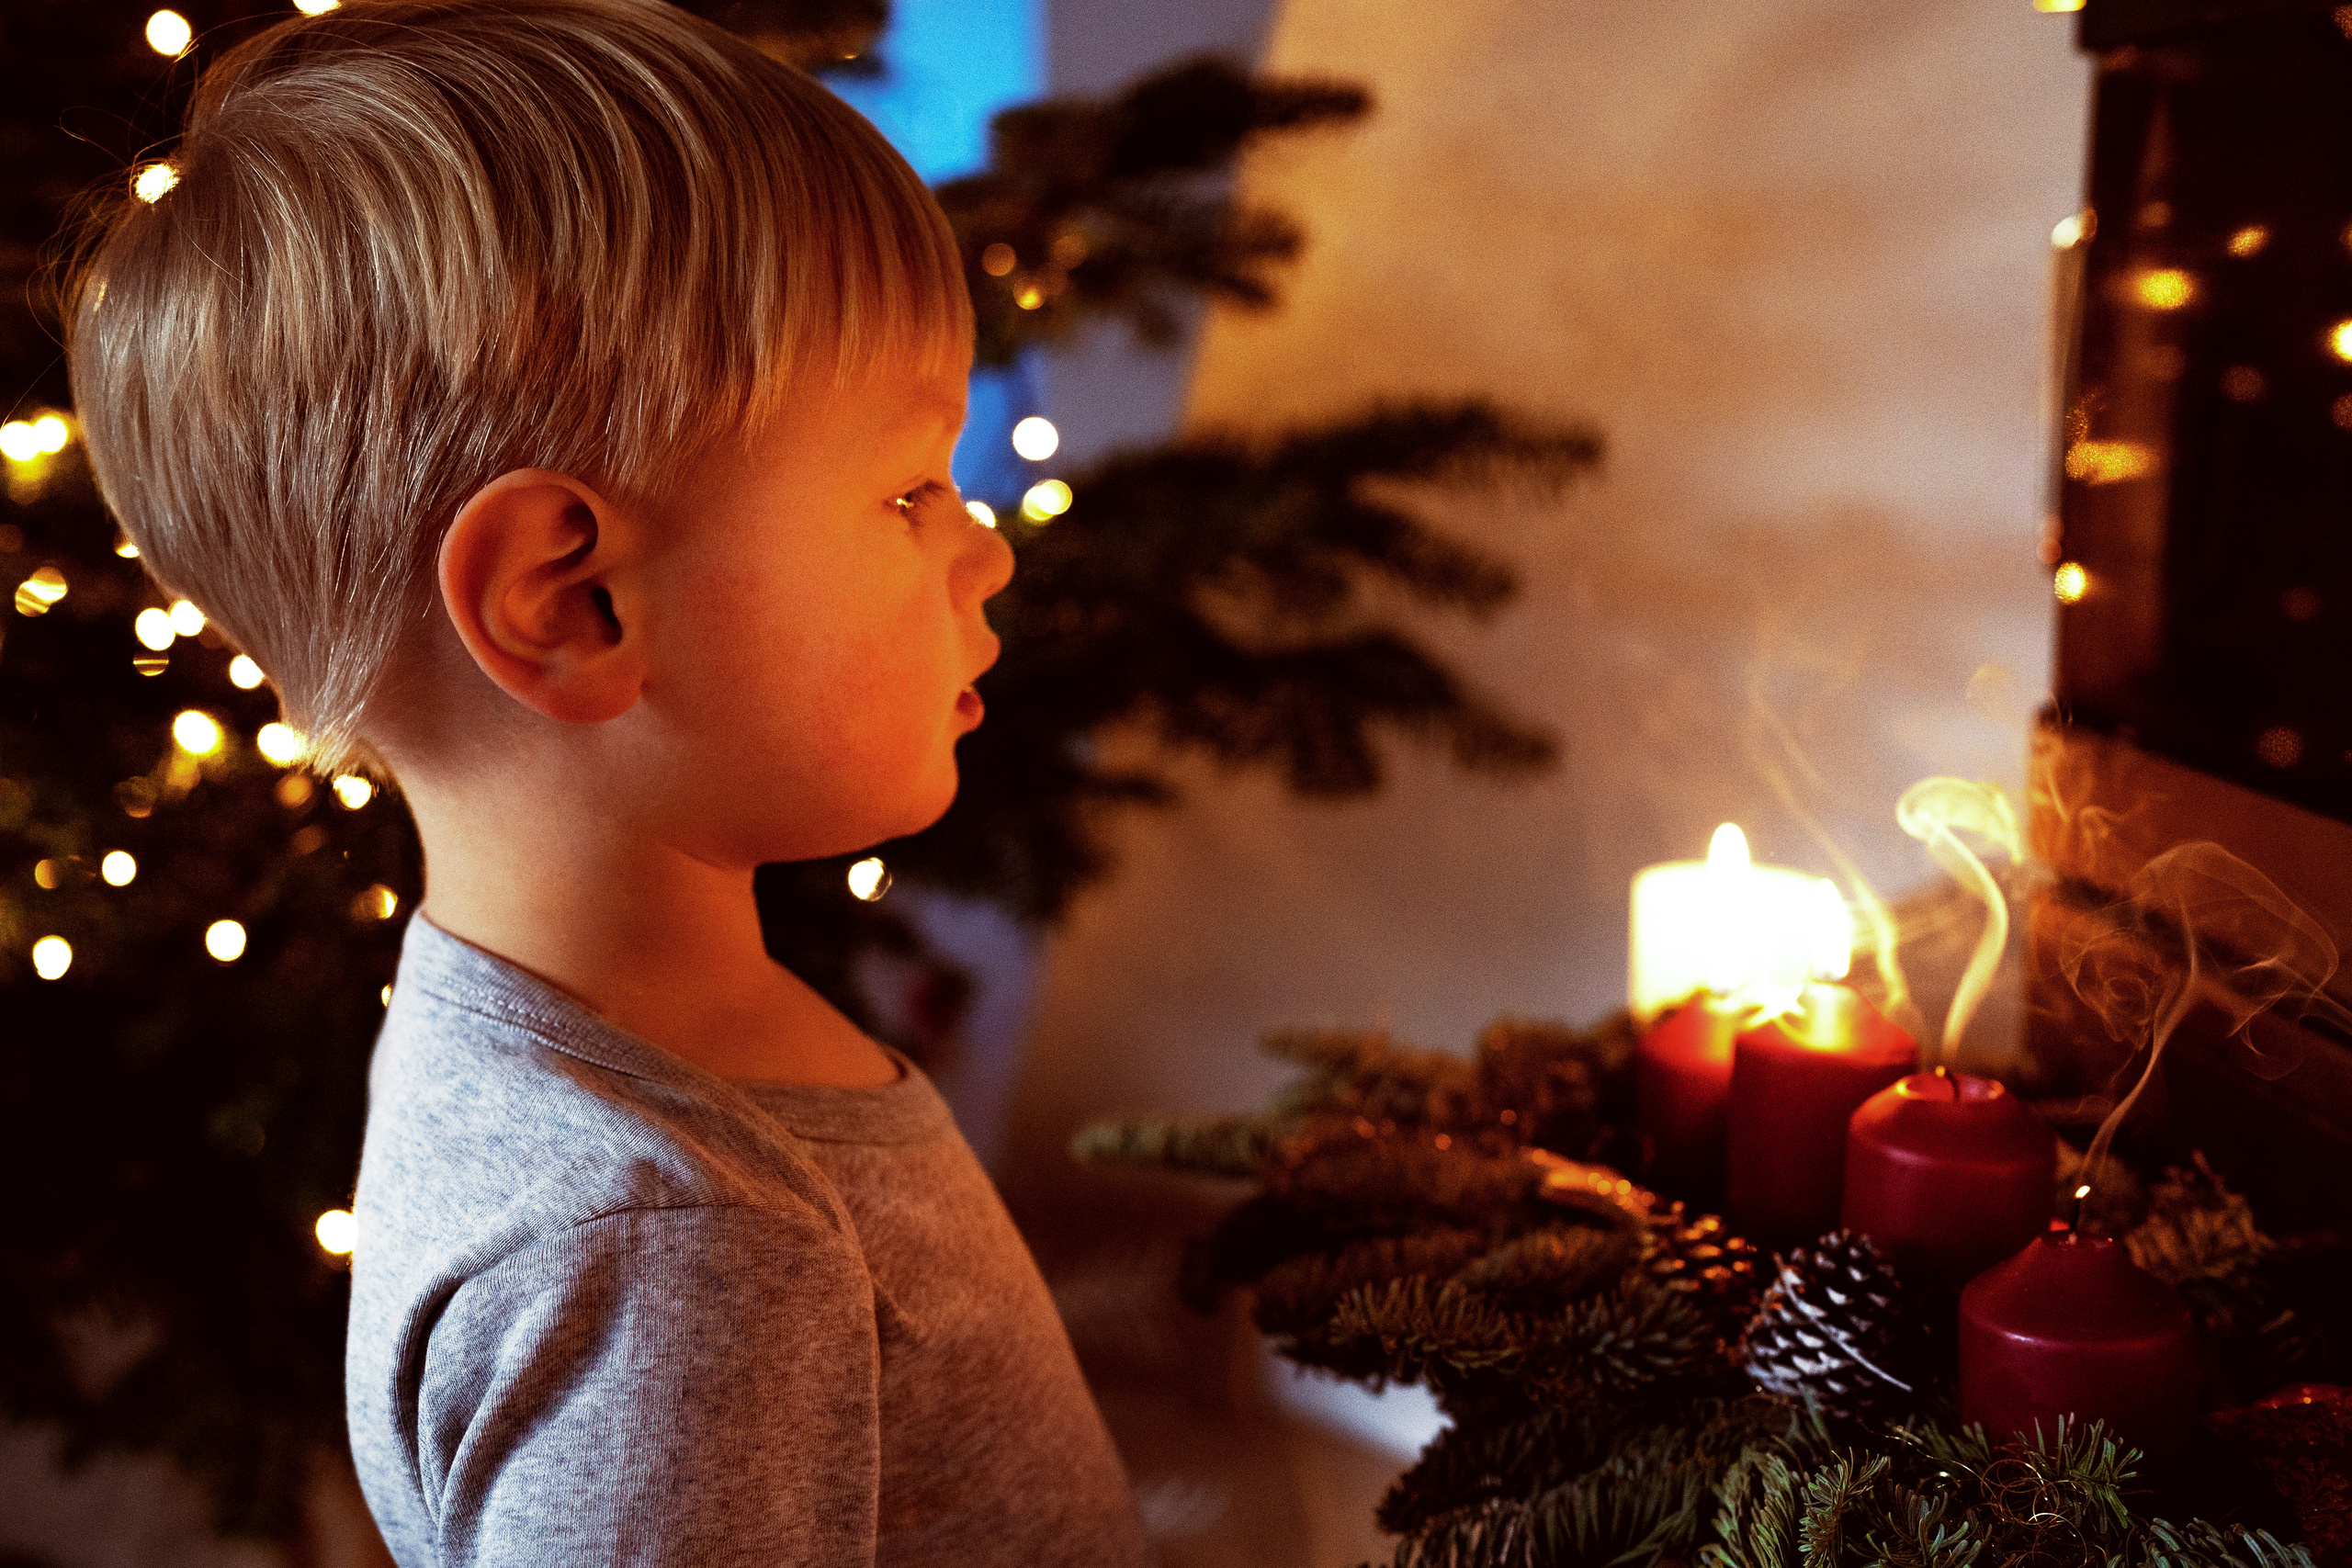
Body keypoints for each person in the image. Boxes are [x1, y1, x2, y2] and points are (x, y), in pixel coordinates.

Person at [63, 2, 1148, 1562]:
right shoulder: (677, 1256)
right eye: (909, 486)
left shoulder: (600, 1062)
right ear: (570, 602)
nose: (983, 549)